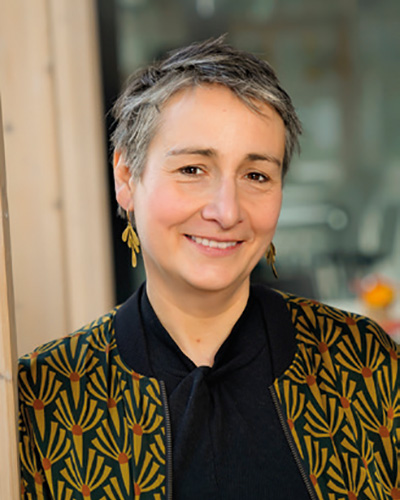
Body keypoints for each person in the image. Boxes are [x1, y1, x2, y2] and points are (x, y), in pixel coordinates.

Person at [18, 37, 400, 500]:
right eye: (193, 170)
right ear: (126, 177)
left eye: (256, 175)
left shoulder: (365, 363)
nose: (226, 211)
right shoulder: (42, 396)